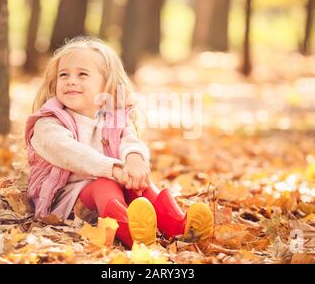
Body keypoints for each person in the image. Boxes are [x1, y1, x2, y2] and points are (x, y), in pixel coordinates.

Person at [25, 36, 213, 248]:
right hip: (66, 201)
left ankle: (180, 227)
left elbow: (129, 140)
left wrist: (134, 160)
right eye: (64, 75)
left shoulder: (113, 117)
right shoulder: (48, 123)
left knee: (140, 185)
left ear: (106, 84)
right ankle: (132, 233)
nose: (71, 80)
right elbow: (70, 152)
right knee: (104, 184)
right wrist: (113, 169)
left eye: (82, 74)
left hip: (113, 188)